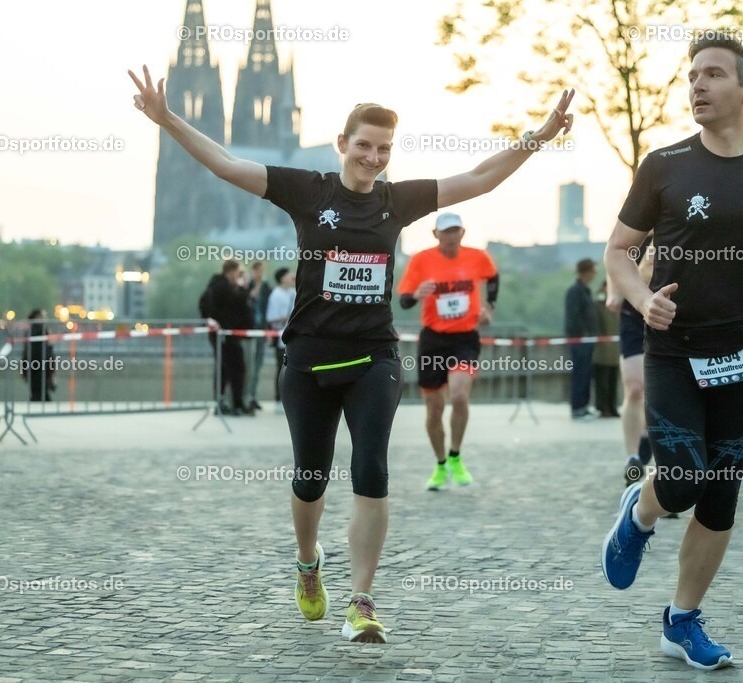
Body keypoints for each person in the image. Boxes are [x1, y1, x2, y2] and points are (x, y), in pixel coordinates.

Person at [129, 65, 573, 643]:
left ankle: (362, 600)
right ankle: (308, 562)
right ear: (342, 144)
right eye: (364, 145)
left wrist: (537, 136)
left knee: (371, 471)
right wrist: (167, 120)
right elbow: (226, 163)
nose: (373, 157)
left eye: (384, 148)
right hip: (310, 359)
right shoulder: (306, 191)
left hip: (374, 358)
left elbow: (482, 177)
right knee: (311, 478)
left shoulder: (397, 201)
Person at [601, 34, 743, 671]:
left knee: (720, 497)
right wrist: (642, 300)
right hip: (673, 350)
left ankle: (681, 622)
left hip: (742, 352)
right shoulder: (664, 165)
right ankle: (638, 514)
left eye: (713, 75)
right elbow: (619, 252)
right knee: (685, 479)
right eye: (692, 75)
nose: (697, 85)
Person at [397, 212, 499, 490]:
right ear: (435, 234)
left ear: (462, 233)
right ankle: (441, 463)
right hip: (433, 339)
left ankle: (455, 455)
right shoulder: (421, 260)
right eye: (446, 231)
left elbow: (492, 278)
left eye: (456, 231)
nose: (451, 236)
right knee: (434, 408)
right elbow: (404, 300)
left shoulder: (477, 257)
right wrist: (418, 294)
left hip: (465, 339)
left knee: (459, 396)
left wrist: (489, 307)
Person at [608, 239, 655, 486]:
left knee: (660, 391)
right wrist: (613, 293)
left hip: (671, 310)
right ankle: (633, 459)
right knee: (635, 387)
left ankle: (662, 465)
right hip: (634, 313)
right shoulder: (636, 222)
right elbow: (614, 253)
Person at [202, 260, 253, 416]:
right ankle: (236, 403)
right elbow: (238, 304)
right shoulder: (223, 288)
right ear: (231, 272)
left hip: (223, 334)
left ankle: (222, 401)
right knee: (235, 368)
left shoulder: (215, 286)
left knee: (223, 369)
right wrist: (243, 289)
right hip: (226, 335)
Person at [565, 258, 599, 420]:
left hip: (588, 340)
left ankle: (584, 406)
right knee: (579, 373)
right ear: (586, 271)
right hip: (579, 341)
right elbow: (573, 317)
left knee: (586, 373)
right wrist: (581, 335)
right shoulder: (575, 291)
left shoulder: (586, 290)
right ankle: (577, 407)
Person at [266, 267, 295, 416]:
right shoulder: (276, 295)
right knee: (280, 369)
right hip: (280, 338)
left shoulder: (293, 293)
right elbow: (271, 318)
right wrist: (286, 318)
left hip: (293, 338)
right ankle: (279, 399)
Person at [246, 260, 273, 412]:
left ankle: (253, 396)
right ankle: (248, 396)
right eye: (257, 270)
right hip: (249, 329)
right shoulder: (247, 286)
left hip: (261, 328)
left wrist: (268, 330)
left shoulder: (266, 287)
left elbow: (269, 309)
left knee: (258, 364)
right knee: (249, 364)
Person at [593, 279, 620, 417]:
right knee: (602, 381)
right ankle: (602, 408)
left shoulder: (618, 308)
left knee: (613, 381)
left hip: (615, 352)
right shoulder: (598, 306)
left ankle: (612, 407)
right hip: (602, 352)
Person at [21, 309, 55, 402]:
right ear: (37, 317)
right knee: (39, 394)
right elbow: (44, 351)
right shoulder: (40, 331)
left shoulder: (31, 331)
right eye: (43, 316)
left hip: (35, 367)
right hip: (39, 367)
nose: (45, 319)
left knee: (37, 393)